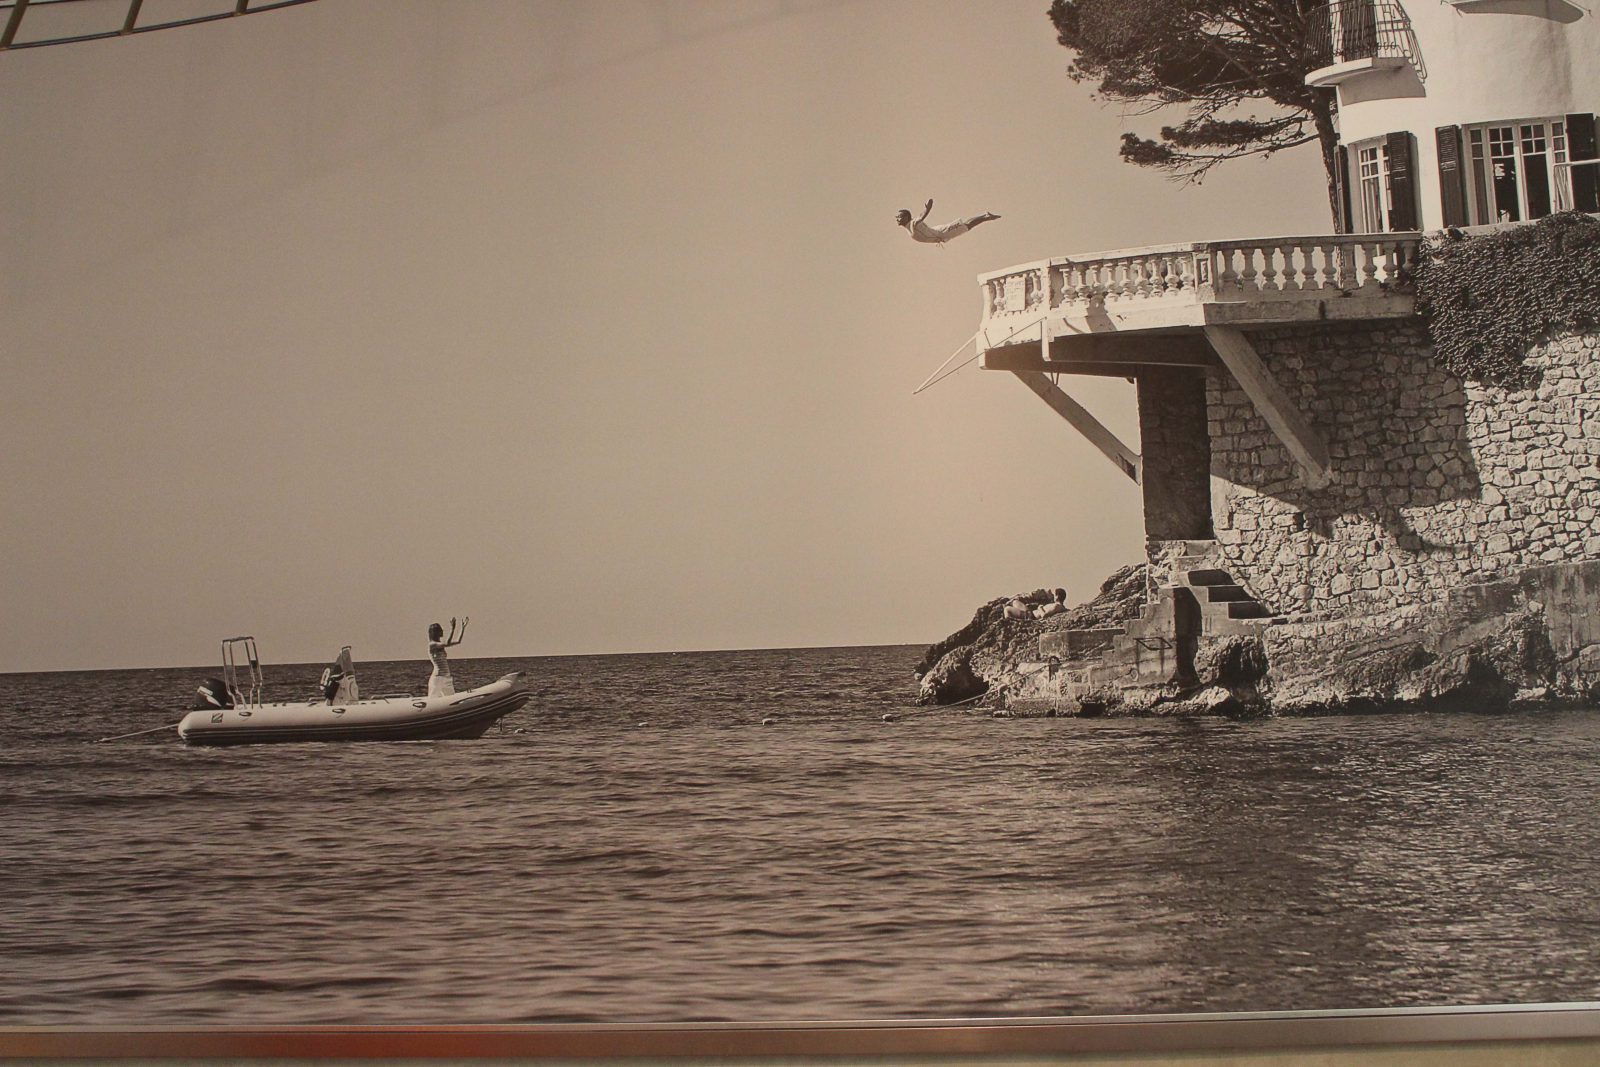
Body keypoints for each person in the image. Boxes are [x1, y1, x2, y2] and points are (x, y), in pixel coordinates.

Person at [895, 198, 1000, 244]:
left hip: (942, 232)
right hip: (938, 233)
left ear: (906, 217)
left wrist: (927, 209)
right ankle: (985, 216)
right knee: (966, 226)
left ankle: (985, 216)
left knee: (966, 226)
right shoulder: (908, 228)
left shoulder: (912, 224)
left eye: (899, 217)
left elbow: (921, 217)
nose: (897, 219)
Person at [427, 616, 468, 697]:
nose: (442, 631)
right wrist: (452, 629)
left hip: (447, 678)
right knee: (432, 699)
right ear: (436, 632)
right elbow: (447, 643)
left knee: (451, 699)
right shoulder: (432, 645)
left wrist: (462, 628)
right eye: (440, 630)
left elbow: (458, 641)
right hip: (438, 678)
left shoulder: (439, 645)